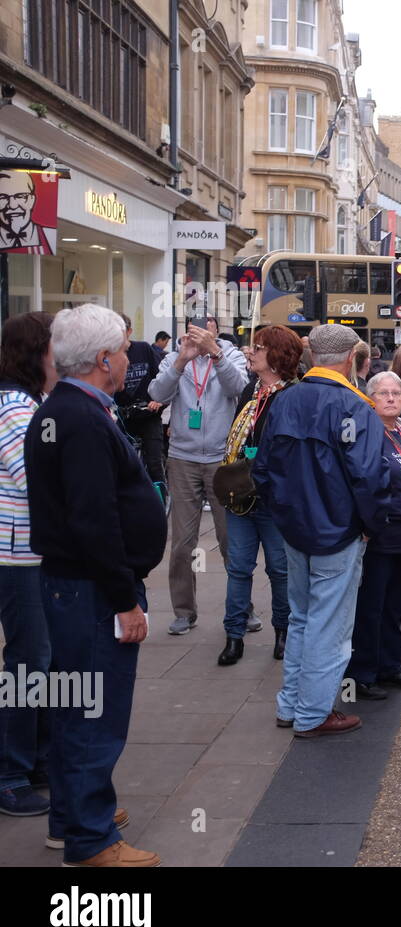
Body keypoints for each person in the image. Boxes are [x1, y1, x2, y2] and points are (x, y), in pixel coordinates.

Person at [26, 304, 167, 866]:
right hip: (90, 590)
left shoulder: (70, 409)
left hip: (75, 586)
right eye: (123, 351)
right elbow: (94, 519)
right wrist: (124, 598)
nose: (126, 360)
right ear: (105, 359)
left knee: (74, 707)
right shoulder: (80, 417)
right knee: (93, 715)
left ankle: (75, 816)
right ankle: (90, 840)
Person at [252, 324, 391, 739]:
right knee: (329, 628)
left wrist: (284, 514)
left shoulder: (285, 399)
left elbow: (262, 467)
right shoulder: (354, 405)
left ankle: (292, 705)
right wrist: (370, 525)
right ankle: (312, 714)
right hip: (337, 530)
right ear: (351, 358)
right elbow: (368, 475)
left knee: (302, 618)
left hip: (296, 528)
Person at [148, 316, 250, 635]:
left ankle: (242, 609)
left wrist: (215, 355)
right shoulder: (174, 357)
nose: (199, 336)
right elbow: (157, 392)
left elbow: (240, 388)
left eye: (206, 330)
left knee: (229, 537)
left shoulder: (230, 355)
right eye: (193, 330)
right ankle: (183, 611)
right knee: (182, 542)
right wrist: (181, 360)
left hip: (223, 458)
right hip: (183, 456)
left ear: (216, 332)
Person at [216, 326, 302, 667]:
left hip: (274, 501)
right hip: (240, 497)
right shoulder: (252, 390)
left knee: (280, 570)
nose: (250, 353)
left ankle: (283, 633)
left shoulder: (292, 395)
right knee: (238, 569)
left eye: (259, 348)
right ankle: (233, 637)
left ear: (278, 356)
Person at [0, 312, 56, 818]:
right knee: (28, 664)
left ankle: (35, 762)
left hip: (26, 552)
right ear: (36, 353)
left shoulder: (30, 403)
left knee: (39, 660)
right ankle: (11, 773)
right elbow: (31, 479)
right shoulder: (17, 408)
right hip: (18, 556)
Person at [344, 371, 401, 700]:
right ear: (371, 398)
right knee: (372, 606)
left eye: (397, 393)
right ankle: (363, 673)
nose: (392, 398)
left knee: (396, 606)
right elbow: (361, 482)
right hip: (380, 533)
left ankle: (391, 665)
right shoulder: (367, 434)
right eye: (384, 393)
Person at [114, 320, 166, 504]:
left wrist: (158, 401)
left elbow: (163, 377)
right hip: (125, 416)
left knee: (154, 463)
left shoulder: (143, 349)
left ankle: (160, 503)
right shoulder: (111, 353)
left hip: (149, 414)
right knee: (118, 460)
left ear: (129, 331)